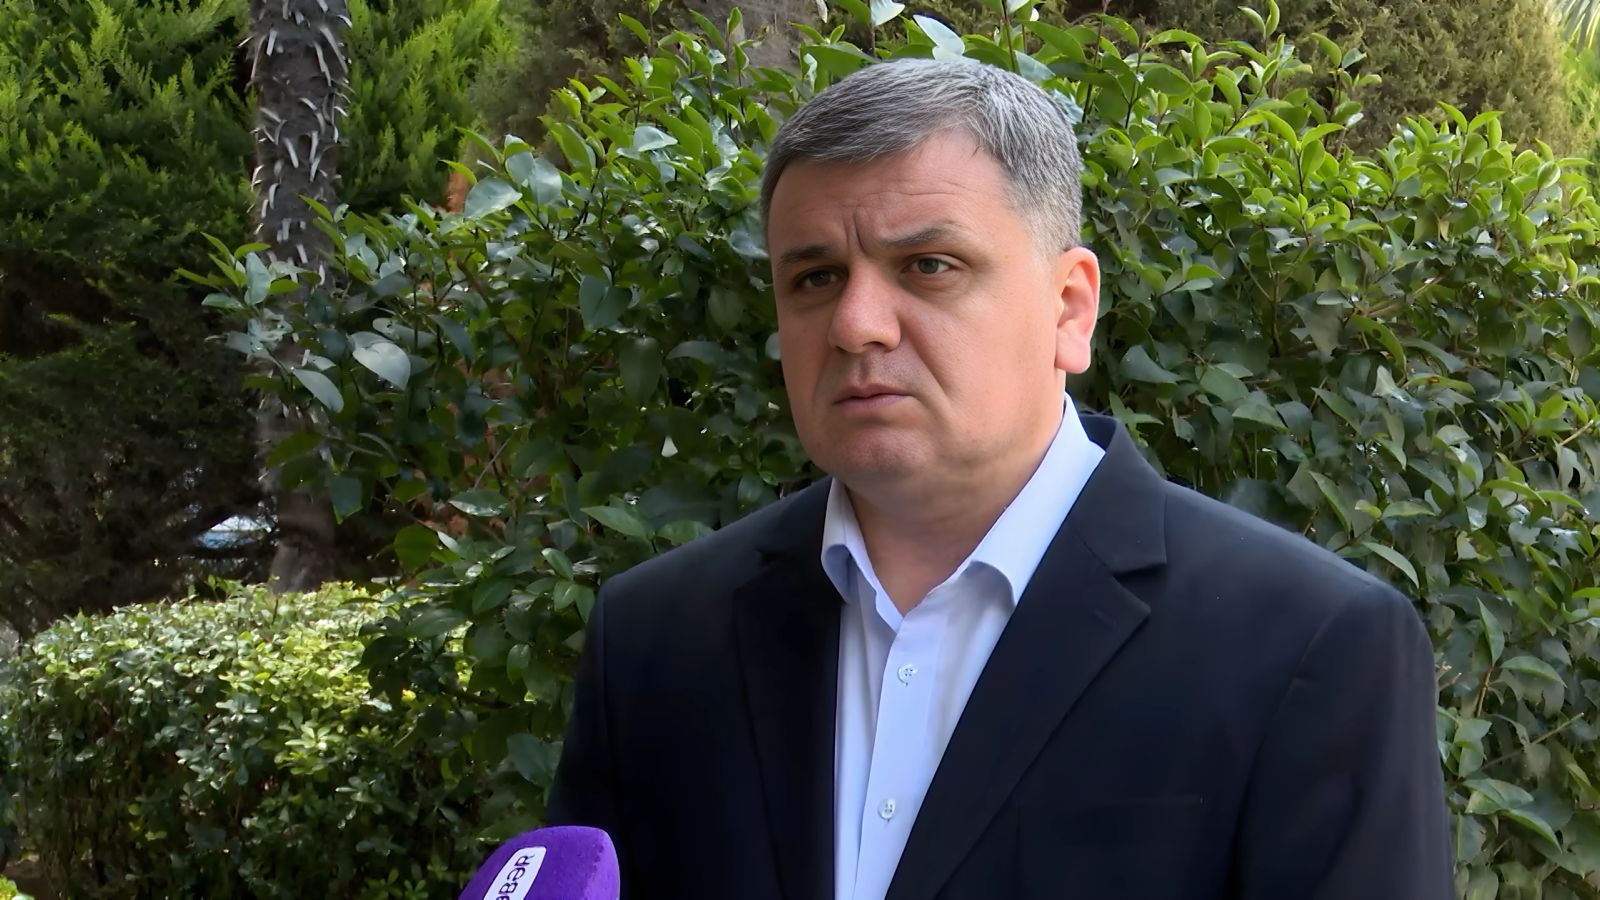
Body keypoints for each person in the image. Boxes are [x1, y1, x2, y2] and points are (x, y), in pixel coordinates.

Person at [546, 58, 1453, 900]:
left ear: (1069, 308)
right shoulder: (656, 641)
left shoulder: (1309, 648)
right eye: (816, 278)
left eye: (928, 266)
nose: (856, 324)